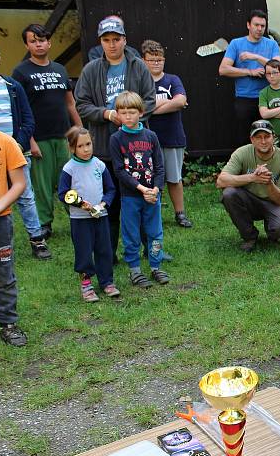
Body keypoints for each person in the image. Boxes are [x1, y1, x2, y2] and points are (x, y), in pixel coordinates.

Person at [74, 16, 155, 261]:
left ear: (124, 40)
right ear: (101, 42)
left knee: (141, 199)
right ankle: (108, 252)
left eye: (116, 39)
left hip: (135, 147)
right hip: (104, 147)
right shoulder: (90, 70)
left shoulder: (139, 66)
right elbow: (82, 105)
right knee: (109, 202)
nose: (112, 44)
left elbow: (150, 100)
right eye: (107, 40)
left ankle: (150, 248)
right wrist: (107, 114)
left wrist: (132, 118)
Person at [13, 24, 82, 239]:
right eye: (33, 41)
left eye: (42, 40)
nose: (38, 44)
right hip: (39, 137)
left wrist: (79, 130)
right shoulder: (21, 72)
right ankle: (45, 223)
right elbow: (21, 110)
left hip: (63, 136)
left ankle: (76, 216)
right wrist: (30, 141)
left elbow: (70, 103)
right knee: (42, 185)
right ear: (27, 44)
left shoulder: (60, 70)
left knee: (69, 179)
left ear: (49, 42)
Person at [0, 40, 51, 260]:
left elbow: (28, 119)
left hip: (15, 149)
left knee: (25, 196)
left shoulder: (12, 86)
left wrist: (18, 143)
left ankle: (37, 239)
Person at [108, 91, 168, 288]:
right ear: (118, 114)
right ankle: (135, 271)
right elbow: (118, 170)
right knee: (131, 234)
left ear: (141, 113)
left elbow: (159, 165)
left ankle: (156, 266)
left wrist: (157, 189)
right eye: (123, 112)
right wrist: (141, 188)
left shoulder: (151, 136)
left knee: (155, 232)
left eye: (132, 112)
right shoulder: (116, 139)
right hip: (131, 197)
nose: (128, 116)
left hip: (153, 196)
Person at [58, 126, 119, 302]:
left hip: (101, 216)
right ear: (72, 148)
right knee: (84, 251)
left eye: (88, 144)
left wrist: (102, 204)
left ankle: (107, 282)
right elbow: (63, 194)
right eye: (80, 146)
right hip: (80, 219)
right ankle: (86, 285)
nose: (86, 149)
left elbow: (110, 189)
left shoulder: (99, 165)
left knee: (104, 249)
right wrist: (80, 204)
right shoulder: (69, 169)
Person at [216, 120, 280, 252]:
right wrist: (252, 177)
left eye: (267, 137)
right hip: (249, 200)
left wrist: (268, 182)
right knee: (228, 194)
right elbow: (221, 181)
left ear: (274, 138)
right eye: (258, 137)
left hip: (274, 203)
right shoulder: (242, 153)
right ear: (251, 140)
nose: (263, 141)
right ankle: (249, 236)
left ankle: (273, 233)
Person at [141, 39, 192, 228]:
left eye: (160, 60)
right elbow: (136, 106)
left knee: (174, 178)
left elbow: (181, 101)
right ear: (143, 60)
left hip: (173, 137)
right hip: (146, 139)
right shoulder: (140, 82)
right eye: (152, 60)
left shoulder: (172, 79)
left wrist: (150, 108)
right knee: (150, 178)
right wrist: (168, 103)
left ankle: (180, 213)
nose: (156, 63)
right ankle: (152, 215)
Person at [218, 9, 280, 140]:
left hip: (269, 96)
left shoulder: (271, 44)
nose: (259, 29)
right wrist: (249, 72)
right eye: (256, 25)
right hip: (244, 98)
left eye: (262, 26)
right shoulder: (236, 43)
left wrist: (256, 57)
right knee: (246, 138)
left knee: (269, 138)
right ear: (248, 25)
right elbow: (223, 69)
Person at [0, 127, 28, 346]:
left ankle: (8, 324)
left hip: (0, 221)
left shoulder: (5, 142)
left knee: (3, 274)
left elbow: (19, 183)